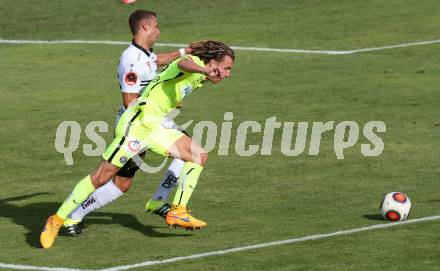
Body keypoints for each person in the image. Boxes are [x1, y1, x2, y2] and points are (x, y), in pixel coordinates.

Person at [40, 39, 235, 248]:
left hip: (157, 126)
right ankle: (56, 220)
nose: (227, 74)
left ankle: (178, 211)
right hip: (137, 125)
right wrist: (202, 69)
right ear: (213, 62)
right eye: (226, 68)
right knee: (101, 177)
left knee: (198, 155)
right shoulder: (193, 63)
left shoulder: (200, 76)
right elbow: (181, 64)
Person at [63, 10, 191, 236]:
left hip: (151, 122)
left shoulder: (144, 53)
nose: (159, 32)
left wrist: (183, 51)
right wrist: (159, 104)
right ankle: (71, 216)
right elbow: (130, 100)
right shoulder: (131, 59)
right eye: (156, 27)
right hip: (136, 127)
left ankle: (159, 201)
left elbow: (155, 61)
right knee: (113, 180)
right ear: (145, 28)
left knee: (187, 154)